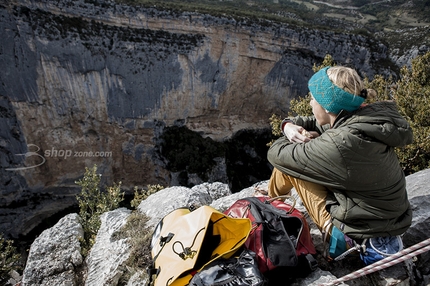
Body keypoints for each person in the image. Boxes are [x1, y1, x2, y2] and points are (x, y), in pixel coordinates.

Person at [266, 66, 413, 260]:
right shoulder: (370, 119)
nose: (310, 102)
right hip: (392, 224)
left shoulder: (339, 143)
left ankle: (269, 210)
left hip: (354, 242)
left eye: (313, 98)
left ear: (327, 106)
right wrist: (289, 125)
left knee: (289, 168)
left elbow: (277, 154)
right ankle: (270, 203)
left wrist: (292, 136)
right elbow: (321, 123)